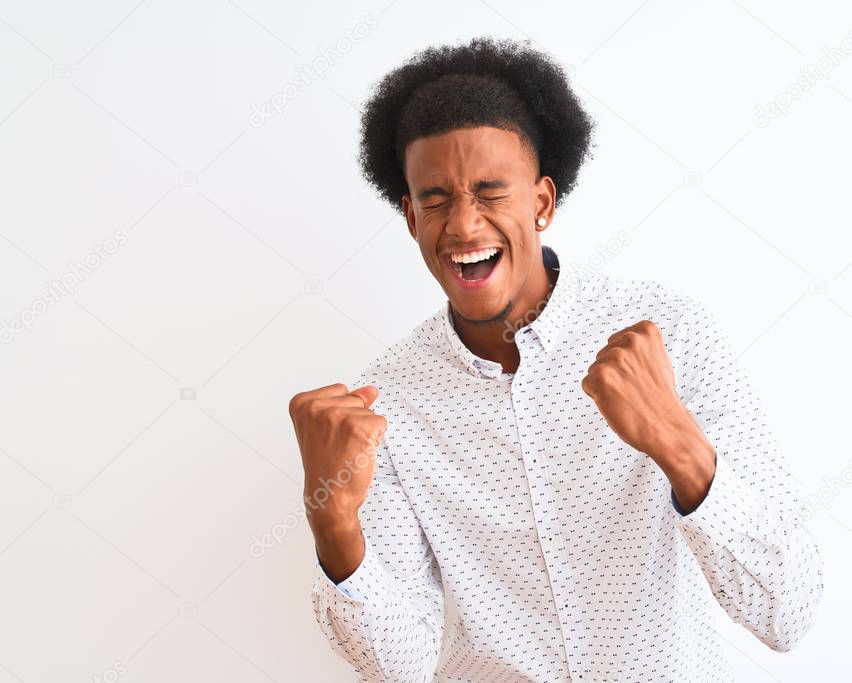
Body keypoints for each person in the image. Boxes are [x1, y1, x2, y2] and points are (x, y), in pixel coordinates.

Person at [288, 36, 824, 682]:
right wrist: (334, 524)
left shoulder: (669, 334)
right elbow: (400, 664)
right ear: (408, 215)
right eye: (434, 199)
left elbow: (787, 610)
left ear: (541, 202)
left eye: (490, 191)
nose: (461, 225)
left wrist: (677, 441)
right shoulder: (384, 406)